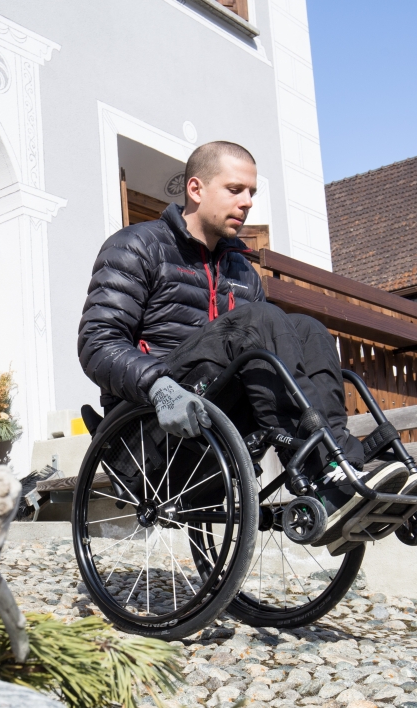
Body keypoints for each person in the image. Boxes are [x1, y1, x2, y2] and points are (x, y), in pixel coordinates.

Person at [78, 141, 413, 549]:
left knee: (308, 328)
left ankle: (341, 469)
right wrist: (158, 387)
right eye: (235, 189)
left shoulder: (240, 269)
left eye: (251, 192)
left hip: (219, 424)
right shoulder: (136, 246)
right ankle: (329, 469)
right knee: (262, 320)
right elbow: (98, 342)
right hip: (151, 432)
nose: (247, 202)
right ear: (196, 189)